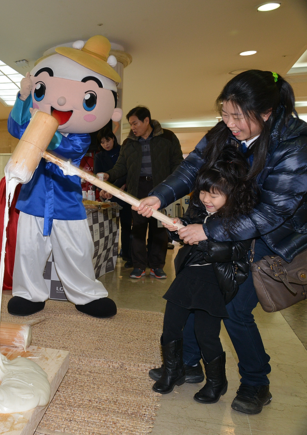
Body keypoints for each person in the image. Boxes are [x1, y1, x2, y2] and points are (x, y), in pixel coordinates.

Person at [138, 70, 307, 414]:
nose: (229, 123)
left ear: (266, 113)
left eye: (237, 116)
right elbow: (192, 168)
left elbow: (273, 212)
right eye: (224, 114)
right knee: (192, 291)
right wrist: (160, 196)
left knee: (234, 308)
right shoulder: (224, 132)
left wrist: (209, 230)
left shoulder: (295, 145)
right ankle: (188, 364)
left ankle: (256, 383)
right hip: (224, 226)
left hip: (271, 237)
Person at [7, 35, 122, 319]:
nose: (61, 100)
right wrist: (22, 98)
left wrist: (43, 130)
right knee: (28, 250)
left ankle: (86, 295)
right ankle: (28, 294)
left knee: (77, 250)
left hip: (66, 201)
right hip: (33, 198)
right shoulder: (35, 123)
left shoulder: (81, 137)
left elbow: (68, 149)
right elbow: (15, 128)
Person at [152, 146, 256, 405]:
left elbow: (236, 251)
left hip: (214, 280)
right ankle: (173, 370)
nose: (206, 198)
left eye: (214, 194)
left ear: (232, 194)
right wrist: (177, 228)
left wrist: (204, 239)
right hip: (189, 275)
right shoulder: (199, 210)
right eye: (203, 191)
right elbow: (187, 233)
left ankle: (216, 381)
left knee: (206, 334)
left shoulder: (241, 219)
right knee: (171, 325)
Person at [101, 106, 183, 279]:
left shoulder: (167, 137)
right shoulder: (129, 143)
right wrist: (109, 175)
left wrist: (173, 187)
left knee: (159, 229)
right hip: (137, 190)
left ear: (147, 121)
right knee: (138, 228)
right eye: (130, 124)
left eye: (135, 123)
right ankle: (138, 266)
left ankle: (156, 266)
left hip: (161, 190)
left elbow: (177, 163)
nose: (132, 127)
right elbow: (120, 167)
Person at [93, 127, 133, 268]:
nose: (106, 144)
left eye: (108, 140)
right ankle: (108, 256)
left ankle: (128, 255)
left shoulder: (123, 151)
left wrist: (119, 187)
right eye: (102, 142)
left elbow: (127, 172)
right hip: (108, 196)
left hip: (125, 193)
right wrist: (102, 190)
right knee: (109, 226)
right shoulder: (99, 156)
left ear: (113, 139)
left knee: (126, 226)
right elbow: (98, 176)